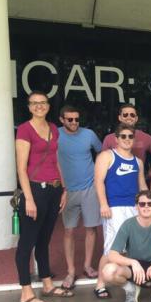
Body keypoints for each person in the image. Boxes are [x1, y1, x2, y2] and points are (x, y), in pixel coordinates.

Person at [15, 91, 72, 302]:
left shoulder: (54, 129)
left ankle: (47, 284)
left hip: (54, 190)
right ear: (29, 107)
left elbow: (56, 160)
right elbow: (21, 168)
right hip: (35, 190)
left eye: (43, 103)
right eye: (34, 103)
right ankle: (26, 292)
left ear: (48, 106)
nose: (39, 106)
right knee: (27, 243)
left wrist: (64, 188)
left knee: (44, 240)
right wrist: (28, 199)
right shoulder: (24, 129)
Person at [94, 123, 147, 299]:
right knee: (111, 250)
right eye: (123, 136)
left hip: (133, 208)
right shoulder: (107, 156)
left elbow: (142, 185)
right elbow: (99, 181)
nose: (126, 139)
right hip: (114, 208)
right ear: (116, 139)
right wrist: (103, 204)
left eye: (130, 136)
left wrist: (148, 204)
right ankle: (100, 284)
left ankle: (131, 281)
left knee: (131, 247)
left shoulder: (138, 161)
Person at [57, 105, 102, 290]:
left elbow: (101, 152)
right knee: (68, 231)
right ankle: (70, 271)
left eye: (76, 119)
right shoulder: (55, 134)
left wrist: (99, 176)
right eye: (70, 119)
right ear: (62, 120)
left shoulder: (89, 134)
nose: (74, 122)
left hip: (90, 187)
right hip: (67, 190)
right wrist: (60, 186)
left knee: (91, 228)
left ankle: (87, 265)